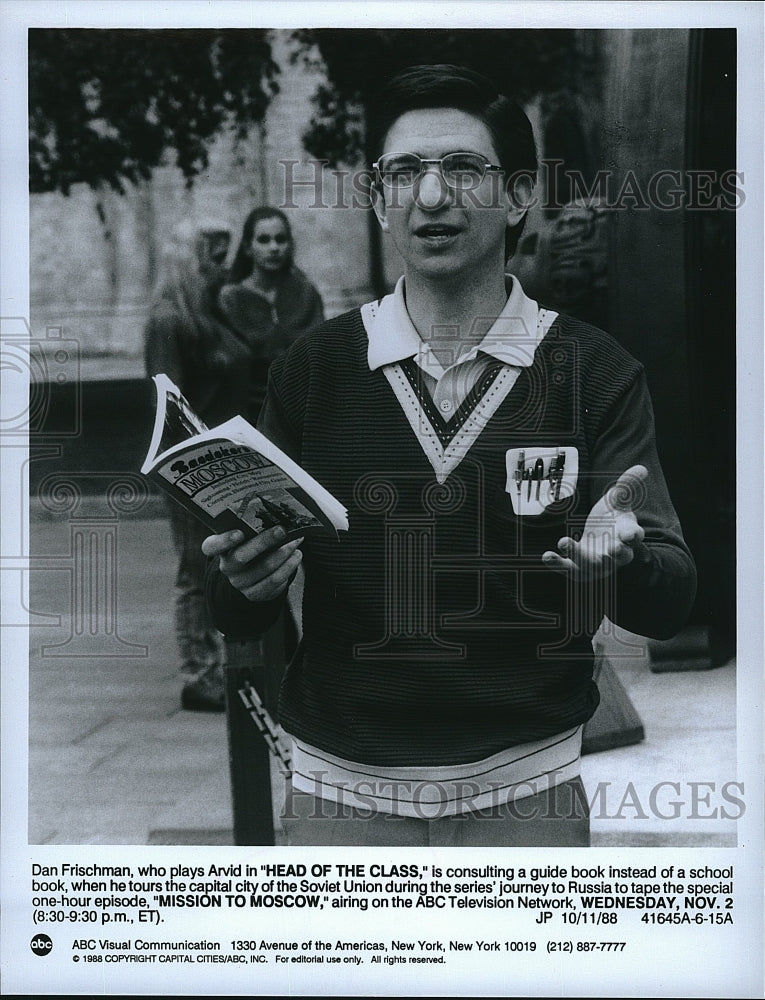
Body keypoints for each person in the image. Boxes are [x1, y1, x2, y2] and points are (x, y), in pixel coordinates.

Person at [203, 65, 697, 846]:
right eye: (403, 174)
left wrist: (623, 568)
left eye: (463, 169)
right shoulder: (313, 369)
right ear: (376, 199)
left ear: (517, 195)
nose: (431, 198)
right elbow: (239, 610)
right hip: (338, 793)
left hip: (527, 786)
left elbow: (670, 601)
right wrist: (243, 580)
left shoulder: (594, 372)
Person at [144, 220, 251, 712]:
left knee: (221, 563)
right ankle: (199, 673)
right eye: (212, 254)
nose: (221, 265)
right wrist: (190, 464)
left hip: (226, 460)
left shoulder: (212, 310)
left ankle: (225, 664)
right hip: (193, 464)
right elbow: (169, 401)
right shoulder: (169, 320)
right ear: (190, 259)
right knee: (195, 566)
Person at [218, 207, 324, 417]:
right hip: (250, 413)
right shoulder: (231, 298)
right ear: (248, 247)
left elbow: (322, 353)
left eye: (281, 239)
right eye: (264, 240)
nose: (274, 248)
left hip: (304, 409)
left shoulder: (305, 292)